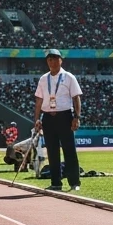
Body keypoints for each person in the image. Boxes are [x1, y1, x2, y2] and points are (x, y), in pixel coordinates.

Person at [33, 48, 83, 192]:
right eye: (49, 59)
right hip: (48, 117)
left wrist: (76, 117)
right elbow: (39, 100)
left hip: (65, 116)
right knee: (52, 152)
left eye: (55, 58)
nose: (52, 62)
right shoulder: (43, 79)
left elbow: (76, 98)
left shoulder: (68, 77)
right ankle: (56, 183)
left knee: (69, 150)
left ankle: (74, 182)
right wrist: (37, 119)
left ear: (61, 60)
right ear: (47, 62)